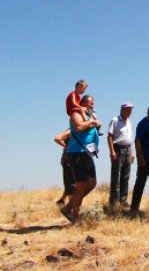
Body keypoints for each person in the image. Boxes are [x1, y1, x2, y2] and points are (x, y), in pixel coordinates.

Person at [61, 94, 101, 223]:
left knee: (91, 182)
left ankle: (68, 208)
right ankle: (75, 217)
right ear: (83, 103)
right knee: (80, 185)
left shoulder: (90, 116)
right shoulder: (75, 115)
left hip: (87, 153)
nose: (93, 105)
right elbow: (78, 127)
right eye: (91, 103)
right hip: (77, 152)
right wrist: (92, 123)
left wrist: (95, 123)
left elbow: (95, 127)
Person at [107, 102, 135, 210]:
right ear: (122, 109)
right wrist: (112, 151)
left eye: (131, 110)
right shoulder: (115, 120)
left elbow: (129, 138)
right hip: (118, 149)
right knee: (116, 177)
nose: (129, 112)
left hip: (128, 149)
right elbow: (109, 136)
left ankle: (123, 201)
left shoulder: (129, 122)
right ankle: (114, 203)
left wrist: (131, 152)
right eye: (128, 109)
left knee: (126, 177)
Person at [53, 129, 75, 207]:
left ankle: (61, 201)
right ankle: (72, 208)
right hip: (68, 161)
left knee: (72, 184)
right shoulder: (71, 131)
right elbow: (57, 139)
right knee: (71, 185)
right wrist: (65, 146)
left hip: (74, 161)